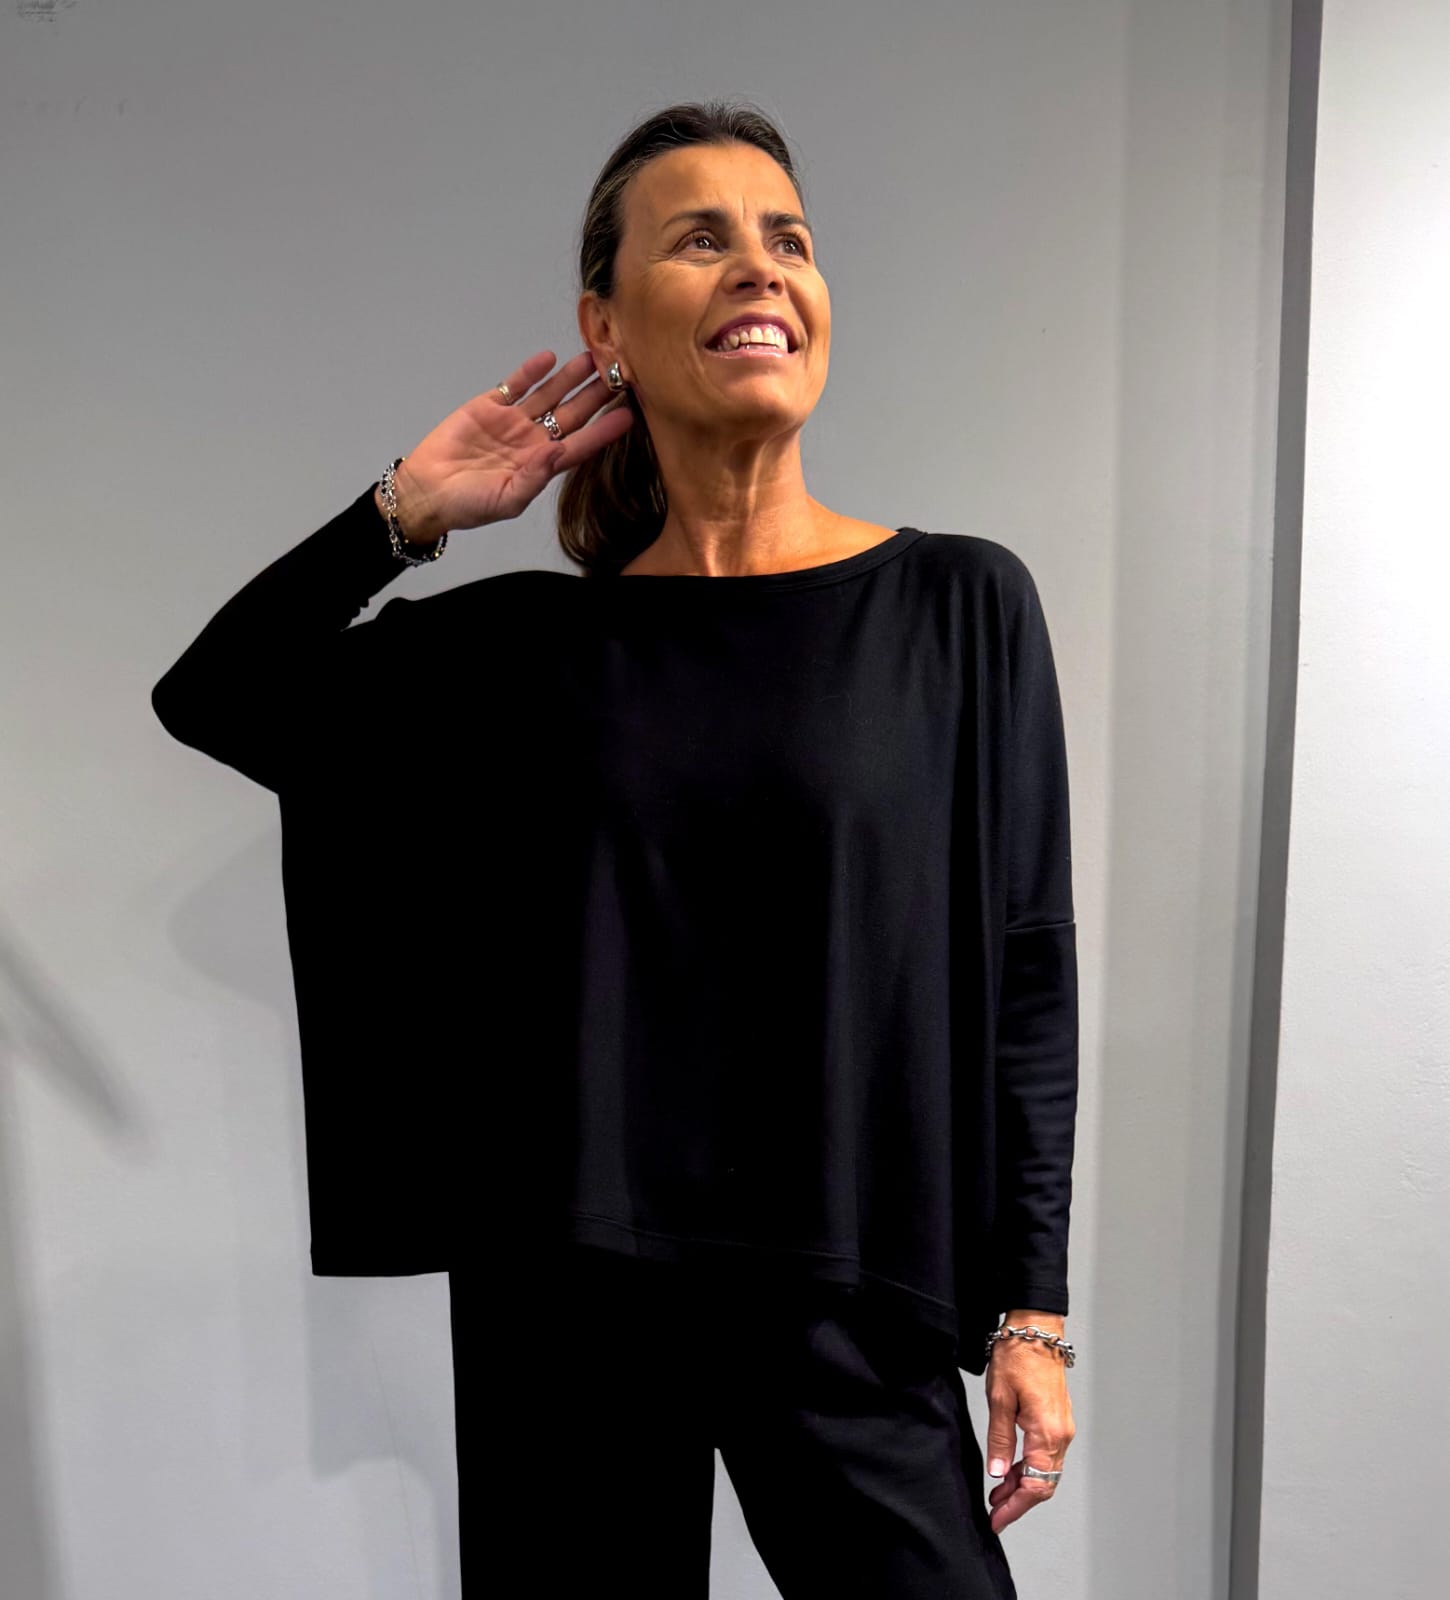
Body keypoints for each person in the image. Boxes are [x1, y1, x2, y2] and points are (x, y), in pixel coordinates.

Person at [152, 98, 1078, 1598]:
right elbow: (219, 694)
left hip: (846, 1285)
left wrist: (1030, 1313)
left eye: (788, 240)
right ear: (606, 323)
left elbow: (1027, 971)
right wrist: (405, 514)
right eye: (700, 240)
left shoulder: (957, 608)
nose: (760, 268)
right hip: (569, 1297)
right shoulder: (521, 654)